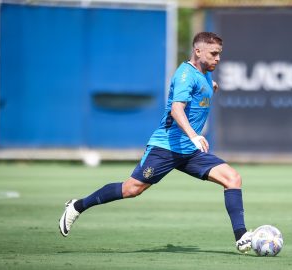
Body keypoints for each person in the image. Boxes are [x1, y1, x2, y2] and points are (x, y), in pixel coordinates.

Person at [58, 32, 252, 253]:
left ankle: (241, 236)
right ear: (198, 51)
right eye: (214, 54)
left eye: (220, 54)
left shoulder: (205, 74)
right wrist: (194, 135)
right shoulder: (185, 76)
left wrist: (211, 86)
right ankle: (77, 206)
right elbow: (176, 109)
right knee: (131, 189)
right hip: (166, 148)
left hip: (190, 151)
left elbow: (202, 88)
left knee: (233, 178)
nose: (218, 58)